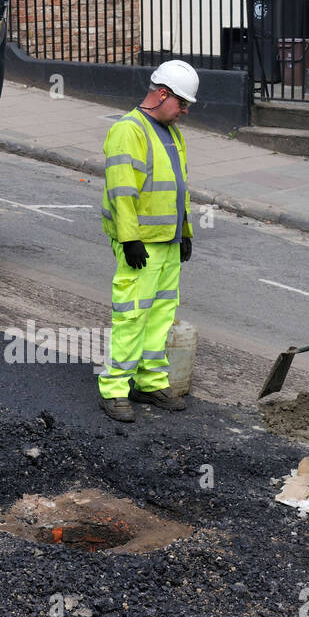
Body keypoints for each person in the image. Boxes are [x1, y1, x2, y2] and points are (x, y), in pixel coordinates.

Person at [97, 60, 198, 422]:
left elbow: (179, 189)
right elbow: (122, 191)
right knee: (132, 315)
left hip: (167, 241)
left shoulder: (172, 131)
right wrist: (129, 240)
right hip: (140, 243)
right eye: (182, 103)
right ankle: (114, 389)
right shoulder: (129, 130)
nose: (185, 111)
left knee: (161, 315)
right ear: (162, 94)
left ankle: (150, 381)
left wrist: (184, 232)